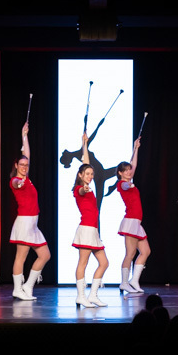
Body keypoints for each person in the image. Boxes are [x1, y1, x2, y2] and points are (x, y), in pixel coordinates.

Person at [9, 122, 50, 301]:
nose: (25, 167)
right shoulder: (15, 181)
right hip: (24, 223)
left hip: (33, 224)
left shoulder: (27, 178)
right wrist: (19, 182)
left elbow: (27, 154)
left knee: (45, 255)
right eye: (22, 164)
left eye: (26, 164)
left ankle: (27, 286)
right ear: (16, 165)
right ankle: (17, 289)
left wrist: (24, 136)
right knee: (21, 256)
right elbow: (16, 183)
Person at [72, 132, 110, 308]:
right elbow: (81, 190)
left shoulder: (88, 185)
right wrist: (84, 189)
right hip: (86, 229)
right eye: (87, 174)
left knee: (104, 263)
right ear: (80, 175)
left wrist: (84, 144)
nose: (90, 176)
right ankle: (81, 296)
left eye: (92, 174)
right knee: (83, 263)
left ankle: (93, 295)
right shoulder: (79, 189)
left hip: (93, 230)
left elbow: (85, 162)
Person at [117, 137, 150, 294]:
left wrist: (136, 148)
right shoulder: (121, 184)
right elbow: (124, 185)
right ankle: (124, 283)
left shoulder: (130, 179)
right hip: (130, 221)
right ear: (120, 173)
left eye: (129, 170)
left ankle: (134, 280)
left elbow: (134, 165)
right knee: (130, 254)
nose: (129, 172)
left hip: (137, 222)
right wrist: (128, 184)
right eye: (126, 171)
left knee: (145, 251)